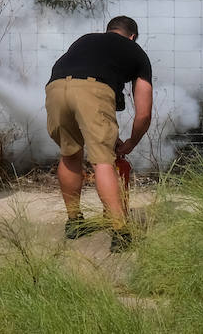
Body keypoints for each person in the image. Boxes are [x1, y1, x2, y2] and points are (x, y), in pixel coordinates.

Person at [45, 15, 153, 252]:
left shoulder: (85, 40)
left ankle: (74, 223)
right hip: (92, 88)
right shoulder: (135, 52)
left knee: (70, 154)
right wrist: (132, 142)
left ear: (109, 31)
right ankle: (120, 232)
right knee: (103, 161)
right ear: (132, 36)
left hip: (55, 88)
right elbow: (144, 114)